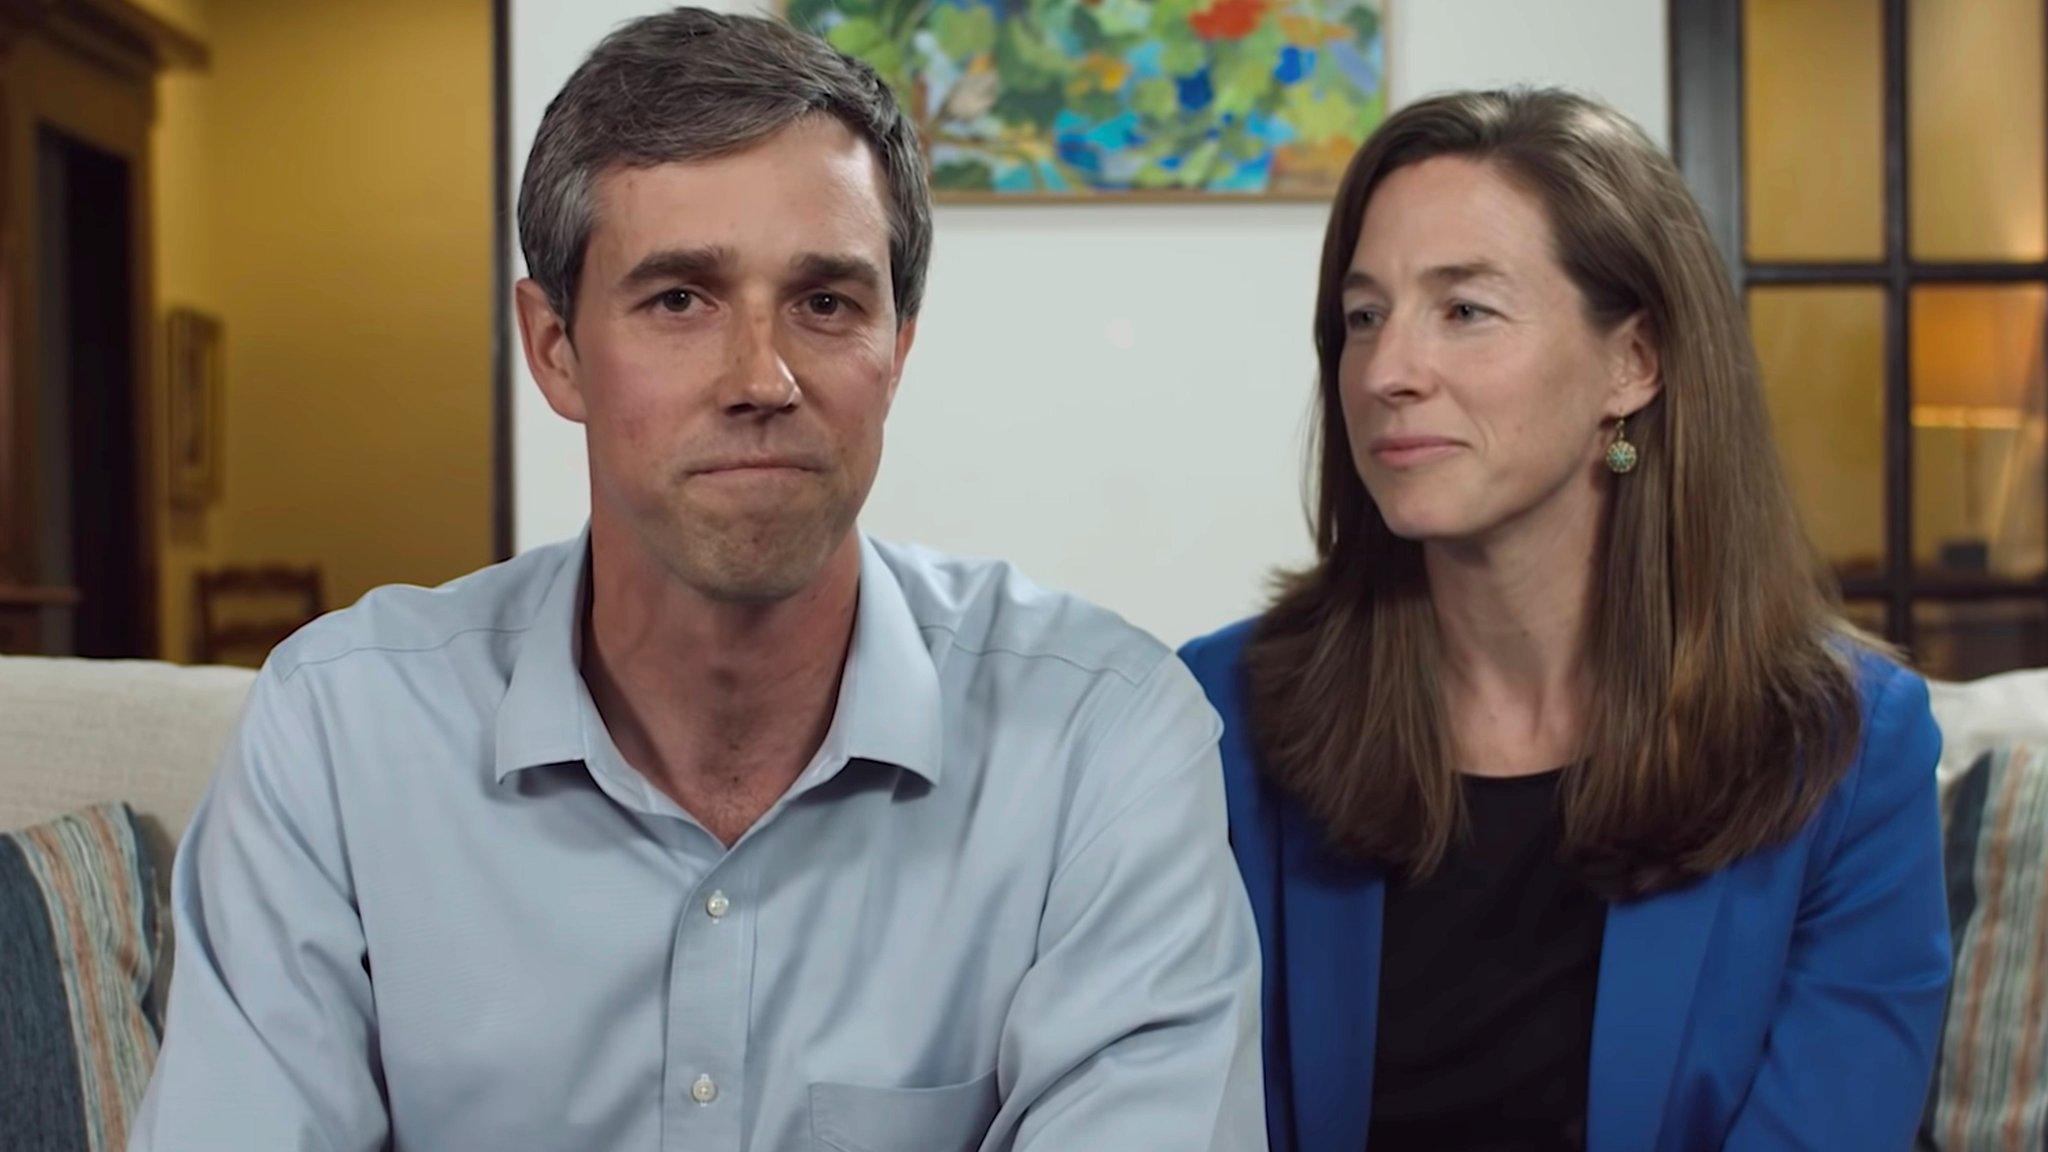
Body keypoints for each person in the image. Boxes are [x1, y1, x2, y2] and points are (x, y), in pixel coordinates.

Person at [131, 10, 1264, 1149]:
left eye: (826, 303)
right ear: (555, 349)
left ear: (897, 349)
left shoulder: (1100, 741)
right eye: (679, 299)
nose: (760, 377)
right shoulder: (338, 732)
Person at [1179, 88, 1949, 1152]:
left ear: (1632, 364)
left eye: (1464, 310)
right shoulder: (1217, 719)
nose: (1387, 372)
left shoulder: (1845, 745)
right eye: (1363, 317)